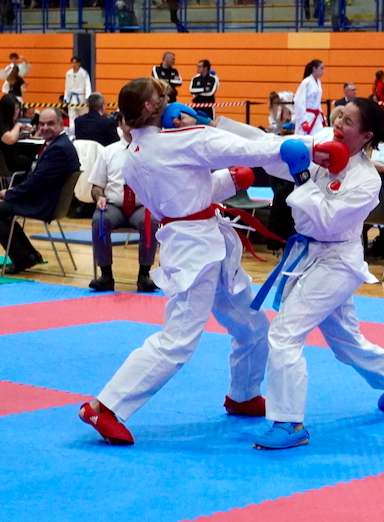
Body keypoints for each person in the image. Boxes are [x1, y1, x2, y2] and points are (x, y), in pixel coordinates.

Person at [77, 77, 319, 446]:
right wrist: (310, 147)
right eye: (160, 95)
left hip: (205, 243)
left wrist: (228, 181)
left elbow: (181, 198)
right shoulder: (184, 140)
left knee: (252, 325)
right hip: (194, 253)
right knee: (177, 340)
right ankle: (103, 407)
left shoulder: (132, 157)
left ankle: (243, 395)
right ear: (148, 108)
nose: (168, 98)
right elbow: (249, 149)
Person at [251, 97, 384, 450]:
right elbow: (281, 156)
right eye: (339, 115)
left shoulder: (366, 181)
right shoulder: (325, 141)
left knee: (284, 333)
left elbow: (327, 220)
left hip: (337, 262)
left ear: (366, 136)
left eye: (349, 121)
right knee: (345, 343)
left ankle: (290, 422)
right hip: (310, 256)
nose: (339, 123)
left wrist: (302, 176)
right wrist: (235, 140)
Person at [0, 108, 80, 273]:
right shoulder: (58, 144)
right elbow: (36, 179)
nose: (45, 128)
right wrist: (13, 191)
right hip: (46, 198)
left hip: (44, 203)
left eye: (50, 124)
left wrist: (10, 193)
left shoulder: (58, 149)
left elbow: (36, 183)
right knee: (0, 210)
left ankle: (24, 257)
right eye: (41, 124)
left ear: (60, 124)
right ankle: (29, 255)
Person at [87, 118, 159, 293]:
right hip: (113, 206)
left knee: (150, 220)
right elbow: (96, 187)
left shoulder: (153, 152)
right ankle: (106, 275)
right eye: (129, 120)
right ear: (120, 124)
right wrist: (99, 198)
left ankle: (144, 275)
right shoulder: (107, 152)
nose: (133, 124)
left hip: (141, 206)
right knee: (100, 219)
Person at [0, 93, 33, 174]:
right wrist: (17, 125)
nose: (17, 111)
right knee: (34, 161)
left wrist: (19, 130)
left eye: (18, 108)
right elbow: (10, 139)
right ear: (8, 110)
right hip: (5, 163)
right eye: (15, 109)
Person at [294, 59, 325, 136]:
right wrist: (302, 120)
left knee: (319, 137)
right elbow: (299, 101)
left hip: (316, 117)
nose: (323, 71)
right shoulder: (306, 82)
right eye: (321, 68)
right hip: (306, 116)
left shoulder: (319, 83)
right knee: (304, 138)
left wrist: (322, 118)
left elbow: (317, 103)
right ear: (314, 69)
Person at [64, 57, 92, 126]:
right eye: (72, 63)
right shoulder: (68, 73)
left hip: (81, 97)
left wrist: (88, 97)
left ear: (79, 63)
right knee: (72, 116)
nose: (74, 65)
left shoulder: (84, 73)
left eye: (75, 63)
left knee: (83, 116)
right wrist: (66, 97)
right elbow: (67, 86)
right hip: (71, 98)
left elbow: (87, 85)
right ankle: (72, 130)